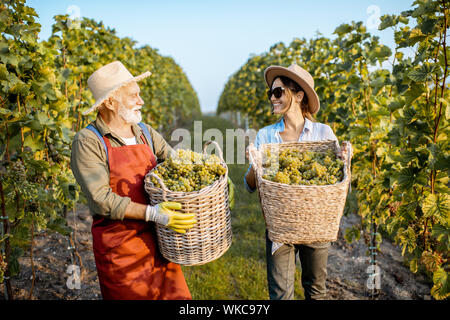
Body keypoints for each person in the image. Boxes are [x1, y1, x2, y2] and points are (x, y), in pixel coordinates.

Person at [70, 61, 197, 300]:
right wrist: (154, 213)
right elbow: (100, 199)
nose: (141, 101)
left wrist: (209, 176)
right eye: (133, 96)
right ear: (109, 101)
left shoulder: (145, 132)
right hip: (120, 249)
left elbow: (176, 162)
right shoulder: (89, 141)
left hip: (158, 242)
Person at [244, 64, 349, 300]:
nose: (272, 98)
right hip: (280, 225)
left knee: (316, 290)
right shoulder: (266, 135)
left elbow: (338, 185)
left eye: (278, 92)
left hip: (317, 224)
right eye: (270, 93)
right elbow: (251, 185)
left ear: (299, 95)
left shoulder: (324, 134)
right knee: (280, 294)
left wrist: (343, 162)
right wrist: (255, 164)